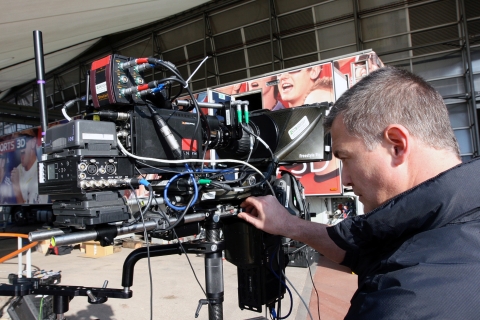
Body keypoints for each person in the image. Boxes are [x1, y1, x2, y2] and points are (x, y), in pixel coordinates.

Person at [239, 66, 480, 318]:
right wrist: (288, 224)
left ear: (396, 145)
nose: (345, 178)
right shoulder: (443, 220)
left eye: (345, 157)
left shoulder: (401, 303)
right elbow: (361, 249)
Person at [11, 129, 46, 204]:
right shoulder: (16, 170)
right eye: (18, 142)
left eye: (23, 140)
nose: (20, 145)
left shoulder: (41, 174)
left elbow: (29, 212)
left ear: (33, 142)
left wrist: (16, 187)